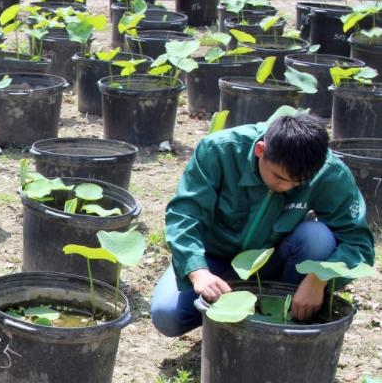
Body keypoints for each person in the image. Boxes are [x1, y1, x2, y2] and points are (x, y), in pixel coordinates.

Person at [150, 113, 375, 337]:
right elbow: (184, 214)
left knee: (317, 237)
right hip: (213, 259)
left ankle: (281, 319)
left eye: (297, 183)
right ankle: (228, 322)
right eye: (279, 177)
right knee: (167, 315)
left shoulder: (329, 172)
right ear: (260, 150)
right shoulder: (219, 150)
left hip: (274, 262)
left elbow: (359, 243)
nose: (286, 187)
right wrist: (196, 270)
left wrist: (319, 278)